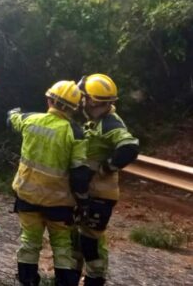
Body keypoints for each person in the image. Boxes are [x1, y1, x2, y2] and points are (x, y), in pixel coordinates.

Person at [7, 80, 92, 286]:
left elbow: (12, 118)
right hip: (59, 204)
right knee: (62, 246)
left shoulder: (30, 120)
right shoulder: (76, 133)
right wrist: (83, 203)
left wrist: (13, 111)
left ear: (49, 99)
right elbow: (79, 174)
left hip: (27, 197)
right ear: (74, 108)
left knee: (29, 243)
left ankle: (27, 282)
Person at [76, 74, 139, 286]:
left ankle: (95, 280)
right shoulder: (98, 121)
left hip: (100, 195)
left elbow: (129, 147)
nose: (82, 100)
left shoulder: (110, 124)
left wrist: (107, 166)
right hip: (92, 193)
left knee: (91, 241)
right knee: (81, 239)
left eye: (84, 96)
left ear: (93, 100)